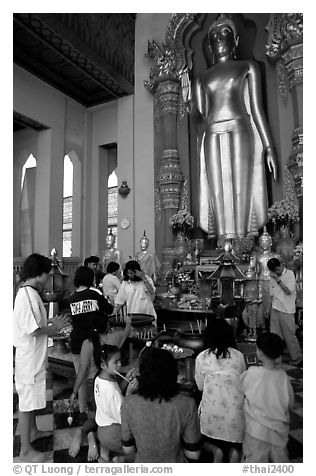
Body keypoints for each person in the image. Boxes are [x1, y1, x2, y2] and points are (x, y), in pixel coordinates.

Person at [182, 13, 277, 240]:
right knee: (217, 190)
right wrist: (190, 105)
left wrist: (269, 147)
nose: (218, 39)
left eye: (224, 34)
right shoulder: (200, 79)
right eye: (213, 36)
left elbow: (256, 110)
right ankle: (223, 243)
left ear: (235, 41)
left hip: (240, 127)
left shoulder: (247, 67)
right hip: (212, 132)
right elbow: (200, 123)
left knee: (239, 189)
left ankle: (244, 243)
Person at [13, 253, 67, 462]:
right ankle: (25, 451)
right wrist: (55, 327)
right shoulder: (26, 295)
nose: (49, 279)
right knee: (26, 406)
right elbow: (34, 331)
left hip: (33, 358)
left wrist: (50, 320)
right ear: (39, 274)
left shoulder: (30, 293)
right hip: (28, 360)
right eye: (48, 274)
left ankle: (33, 432)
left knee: (31, 401)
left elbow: (34, 322)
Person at [121, 346, 201, 462]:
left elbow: (128, 450)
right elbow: (193, 454)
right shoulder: (188, 404)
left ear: (143, 375)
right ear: (174, 374)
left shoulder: (128, 403)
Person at [68, 314, 132, 460]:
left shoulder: (87, 343)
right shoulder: (114, 338)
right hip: (108, 380)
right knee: (104, 416)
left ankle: (85, 434)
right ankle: (93, 440)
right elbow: (128, 331)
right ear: (108, 326)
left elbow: (82, 370)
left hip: (93, 384)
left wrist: (74, 391)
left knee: (97, 416)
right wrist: (128, 322)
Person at [195, 318, 246, 462]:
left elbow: (200, 387)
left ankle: (215, 450)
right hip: (236, 418)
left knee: (198, 436)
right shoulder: (238, 356)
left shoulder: (201, 357)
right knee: (234, 438)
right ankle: (234, 451)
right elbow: (242, 383)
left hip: (210, 420)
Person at [240, 332, 295, 462]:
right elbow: (290, 404)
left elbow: (240, 389)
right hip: (278, 431)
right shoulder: (283, 376)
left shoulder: (252, 373)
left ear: (259, 352)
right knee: (280, 462)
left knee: (255, 462)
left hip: (255, 432)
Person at [67, 266, 113, 414]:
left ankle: (82, 411)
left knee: (80, 378)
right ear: (90, 278)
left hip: (76, 342)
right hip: (93, 341)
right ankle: (98, 413)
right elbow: (109, 309)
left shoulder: (71, 297)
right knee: (95, 378)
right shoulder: (95, 293)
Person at [94, 344, 137, 462]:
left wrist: (125, 379)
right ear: (103, 365)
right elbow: (124, 414)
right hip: (114, 434)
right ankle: (120, 460)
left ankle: (104, 452)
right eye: (116, 362)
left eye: (120, 361)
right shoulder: (110, 390)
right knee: (140, 451)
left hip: (102, 430)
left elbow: (116, 391)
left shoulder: (100, 379)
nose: (120, 364)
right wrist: (129, 392)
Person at [267, 258, 302, 365]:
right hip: (275, 307)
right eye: (274, 271)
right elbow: (272, 294)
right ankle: (275, 357)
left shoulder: (290, 274)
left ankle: (297, 357)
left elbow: (288, 291)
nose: (277, 272)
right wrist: (268, 309)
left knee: (289, 334)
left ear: (281, 264)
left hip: (286, 308)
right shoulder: (272, 276)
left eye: (278, 269)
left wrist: (278, 279)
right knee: (274, 335)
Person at [256, 227, 278, 329]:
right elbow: (255, 271)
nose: (264, 243)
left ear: (271, 243)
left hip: (272, 281)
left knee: (272, 301)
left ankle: (273, 325)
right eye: (262, 241)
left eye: (266, 241)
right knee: (261, 302)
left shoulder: (276, 256)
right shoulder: (257, 256)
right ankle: (261, 325)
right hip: (260, 281)